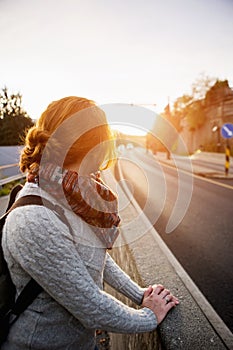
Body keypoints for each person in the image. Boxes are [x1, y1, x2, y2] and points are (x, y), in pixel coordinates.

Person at [2, 96, 179, 350]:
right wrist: (149, 316)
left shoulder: (72, 195)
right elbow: (91, 305)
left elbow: (93, 257)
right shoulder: (34, 219)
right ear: (93, 147)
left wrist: (139, 294)